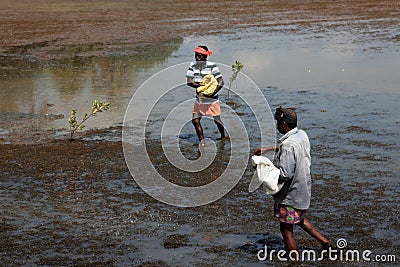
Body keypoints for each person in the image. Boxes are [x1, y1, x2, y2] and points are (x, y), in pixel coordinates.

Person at [254, 106, 329, 259]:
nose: (277, 126)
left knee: (286, 230)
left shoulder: (288, 145)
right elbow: (288, 148)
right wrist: (268, 149)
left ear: (284, 124)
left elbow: (285, 174)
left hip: (290, 194)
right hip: (302, 186)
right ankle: (326, 243)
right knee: (299, 218)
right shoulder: (301, 135)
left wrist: (265, 169)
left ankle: (294, 260)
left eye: (278, 123)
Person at [186, 45, 226, 142]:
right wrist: (202, 86)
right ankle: (202, 141)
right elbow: (189, 81)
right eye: (196, 55)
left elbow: (221, 82)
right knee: (195, 120)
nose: (197, 58)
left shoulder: (212, 66)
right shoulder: (193, 65)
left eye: (200, 56)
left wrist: (212, 93)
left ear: (205, 57)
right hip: (199, 99)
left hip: (212, 99)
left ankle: (223, 136)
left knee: (216, 119)